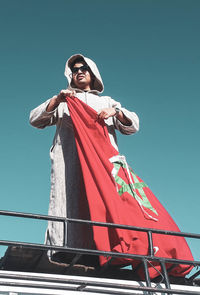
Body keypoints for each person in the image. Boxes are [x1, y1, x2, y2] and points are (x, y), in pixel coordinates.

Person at [29, 54, 139, 263]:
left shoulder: (106, 101)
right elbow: (35, 119)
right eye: (75, 69)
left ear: (93, 73)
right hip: (70, 162)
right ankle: (63, 249)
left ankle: (105, 249)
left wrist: (115, 112)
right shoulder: (64, 100)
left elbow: (133, 125)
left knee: (103, 202)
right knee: (67, 200)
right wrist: (57, 100)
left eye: (84, 68)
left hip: (101, 164)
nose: (79, 72)